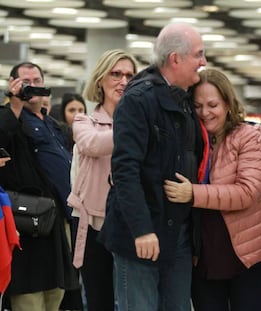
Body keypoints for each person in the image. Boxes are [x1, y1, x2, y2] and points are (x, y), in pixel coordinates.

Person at [97, 23, 207, 311]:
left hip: (177, 236)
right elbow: (125, 170)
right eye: (199, 54)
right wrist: (142, 229)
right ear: (175, 59)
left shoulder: (183, 101)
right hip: (141, 236)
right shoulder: (138, 99)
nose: (204, 62)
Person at [162, 68, 261, 311]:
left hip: (247, 256)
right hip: (204, 255)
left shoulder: (248, 137)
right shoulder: (189, 142)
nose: (205, 113)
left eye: (212, 105)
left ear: (228, 104)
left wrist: (193, 193)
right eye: (197, 106)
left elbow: (247, 193)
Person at [0, 62, 78, 311]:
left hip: (56, 220)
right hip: (24, 219)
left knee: (55, 293)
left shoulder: (52, 124)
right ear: (13, 84)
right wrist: (14, 102)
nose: (33, 86)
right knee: (28, 297)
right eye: (26, 81)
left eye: (37, 80)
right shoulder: (8, 118)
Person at [67, 49, 138, 311]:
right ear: (100, 80)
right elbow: (92, 145)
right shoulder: (84, 121)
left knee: (132, 301)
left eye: (130, 76)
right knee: (99, 301)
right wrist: (135, 127)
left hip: (131, 222)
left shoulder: (142, 124)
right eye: (116, 74)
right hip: (91, 225)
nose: (123, 81)